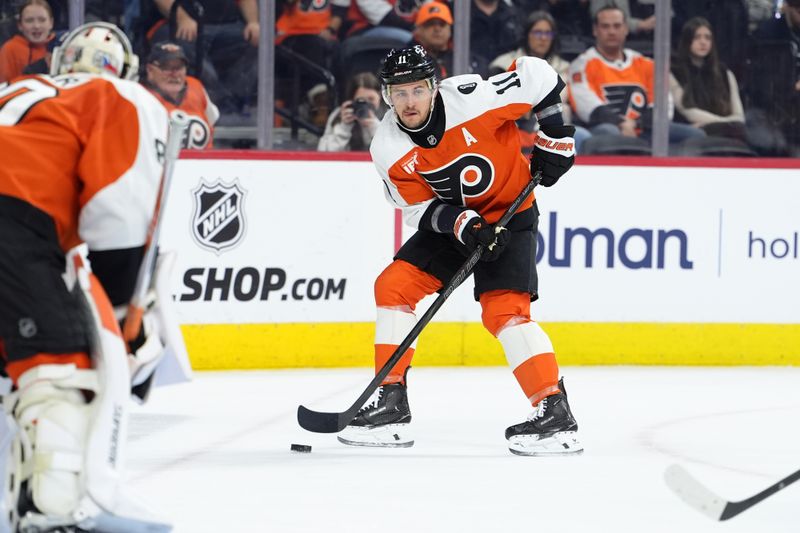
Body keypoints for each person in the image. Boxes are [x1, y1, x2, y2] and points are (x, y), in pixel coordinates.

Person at [338, 45, 583, 457]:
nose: (409, 101)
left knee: (505, 311)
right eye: (399, 93)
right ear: (386, 96)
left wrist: (554, 133)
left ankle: (553, 410)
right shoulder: (388, 147)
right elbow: (416, 207)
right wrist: (462, 224)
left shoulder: (472, 98)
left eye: (417, 89)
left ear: (434, 87)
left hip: (511, 213)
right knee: (393, 286)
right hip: (458, 224)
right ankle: (392, 403)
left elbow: (537, 74)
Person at [0, 21, 182, 532]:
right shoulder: (121, 94)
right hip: (16, 215)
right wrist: (122, 310)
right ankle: (52, 514)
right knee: (61, 368)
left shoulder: (18, 90)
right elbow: (119, 205)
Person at [568, 5, 704, 151]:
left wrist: (637, 124)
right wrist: (621, 123)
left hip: (644, 128)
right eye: (605, 26)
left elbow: (663, 105)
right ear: (595, 30)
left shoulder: (646, 64)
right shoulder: (582, 64)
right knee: (610, 132)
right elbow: (587, 106)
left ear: (626, 29)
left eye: (617, 26)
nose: (612, 31)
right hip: (605, 129)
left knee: (695, 135)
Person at [490, 10, 591, 152]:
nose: (543, 38)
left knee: (583, 136)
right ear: (526, 35)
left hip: (555, 132)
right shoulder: (503, 64)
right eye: (537, 33)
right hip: (515, 128)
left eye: (548, 33)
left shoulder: (565, 68)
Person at [670, 17, 745, 140]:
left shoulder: (725, 73)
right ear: (687, 41)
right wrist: (726, 123)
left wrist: (723, 124)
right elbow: (688, 112)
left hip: (726, 131)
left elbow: (739, 116)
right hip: (692, 134)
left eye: (707, 38)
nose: (703, 42)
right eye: (697, 37)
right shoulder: (674, 72)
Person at [143, 41, 219, 149]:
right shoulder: (139, 96)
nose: (174, 74)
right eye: (166, 67)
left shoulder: (196, 87)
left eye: (179, 67)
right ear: (150, 70)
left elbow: (211, 121)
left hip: (202, 163)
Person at [408, 1, 488, 78]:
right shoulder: (406, 60)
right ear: (418, 30)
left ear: (450, 29)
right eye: (430, 24)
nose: (437, 29)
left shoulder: (470, 60)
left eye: (442, 24)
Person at [318, 71, 385, 151]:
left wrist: (376, 128)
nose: (366, 104)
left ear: (380, 96)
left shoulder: (390, 117)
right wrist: (343, 127)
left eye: (371, 99)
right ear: (352, 99)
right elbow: (324, 153)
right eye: (360, 100)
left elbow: (395, 154)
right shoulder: (338, 115)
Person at [0, 0, 54, 83]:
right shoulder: (10, 49)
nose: (36, 26)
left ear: (51, 23)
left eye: (42, 20)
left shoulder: (60, 47)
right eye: (29, 21)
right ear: (20, 25)